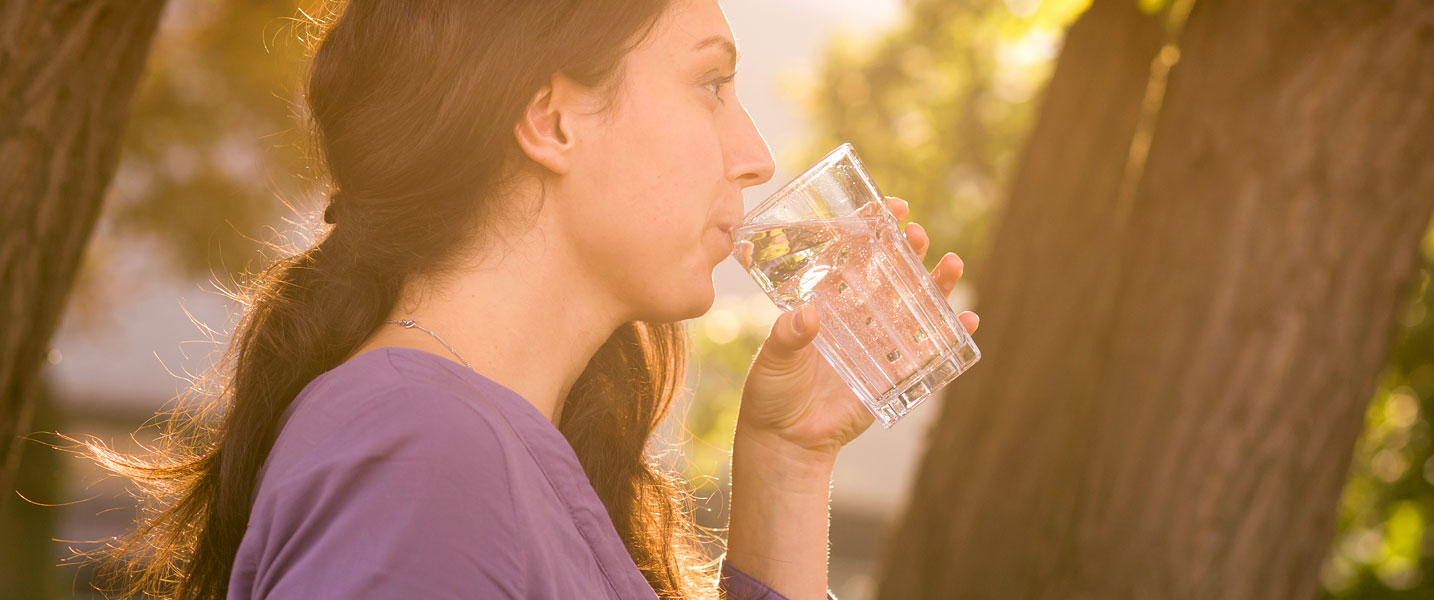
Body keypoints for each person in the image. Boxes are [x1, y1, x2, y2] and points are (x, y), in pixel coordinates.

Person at [73, 0, 980, 598]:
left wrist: (786, 462)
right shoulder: (424, 457)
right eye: (710, 83)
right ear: (550, 121)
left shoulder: (471, 445)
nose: (757, 156)